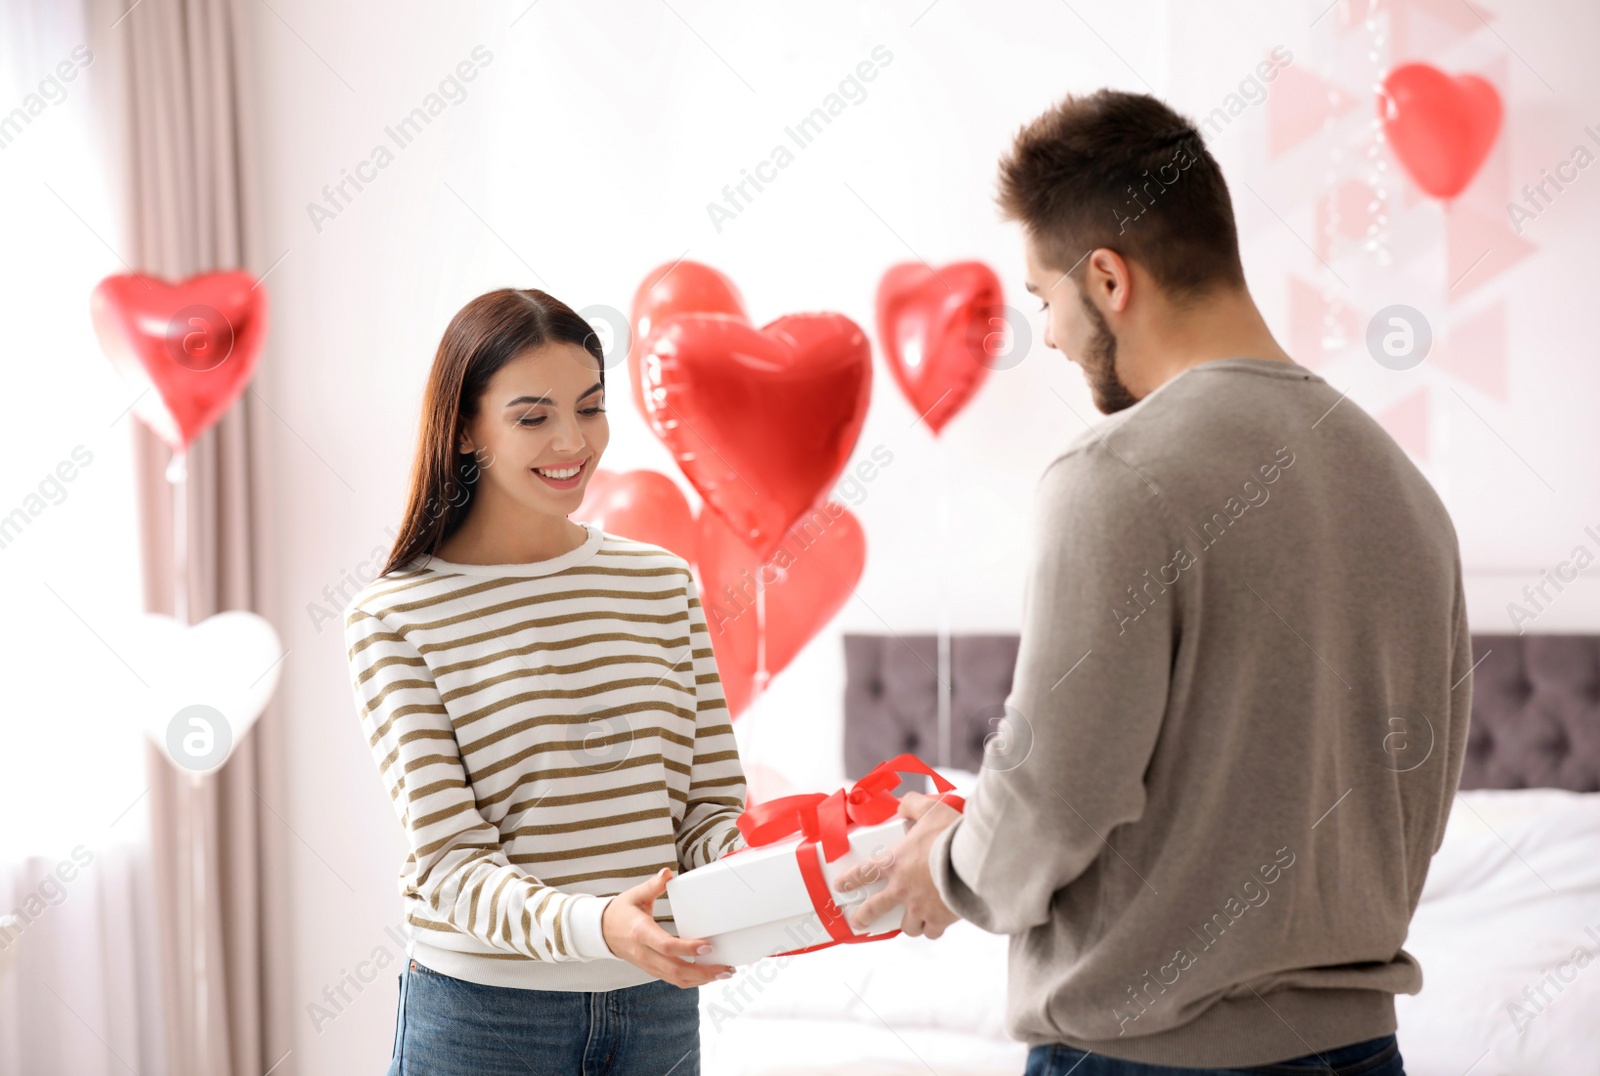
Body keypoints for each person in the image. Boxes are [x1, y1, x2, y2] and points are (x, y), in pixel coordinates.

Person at [834, 89, 1468, 1076]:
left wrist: (949, 863)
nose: (1046, 335)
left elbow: (1055, 793)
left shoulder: (1116, 475)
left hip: (1150, 1055)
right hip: (1359, 1049)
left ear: (1107, 278)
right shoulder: (1406, 492)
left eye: (1045, 300)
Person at [342, 287, 748, 1076]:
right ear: (464, 427)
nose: (573, 441)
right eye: (533, 416)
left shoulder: (660, 584)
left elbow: (706, 813)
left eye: (591, 408)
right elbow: (452, 866)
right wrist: (601, 927)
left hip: (656, 1008)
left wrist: (805, 871)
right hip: (485, 1019)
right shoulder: (395, 618)